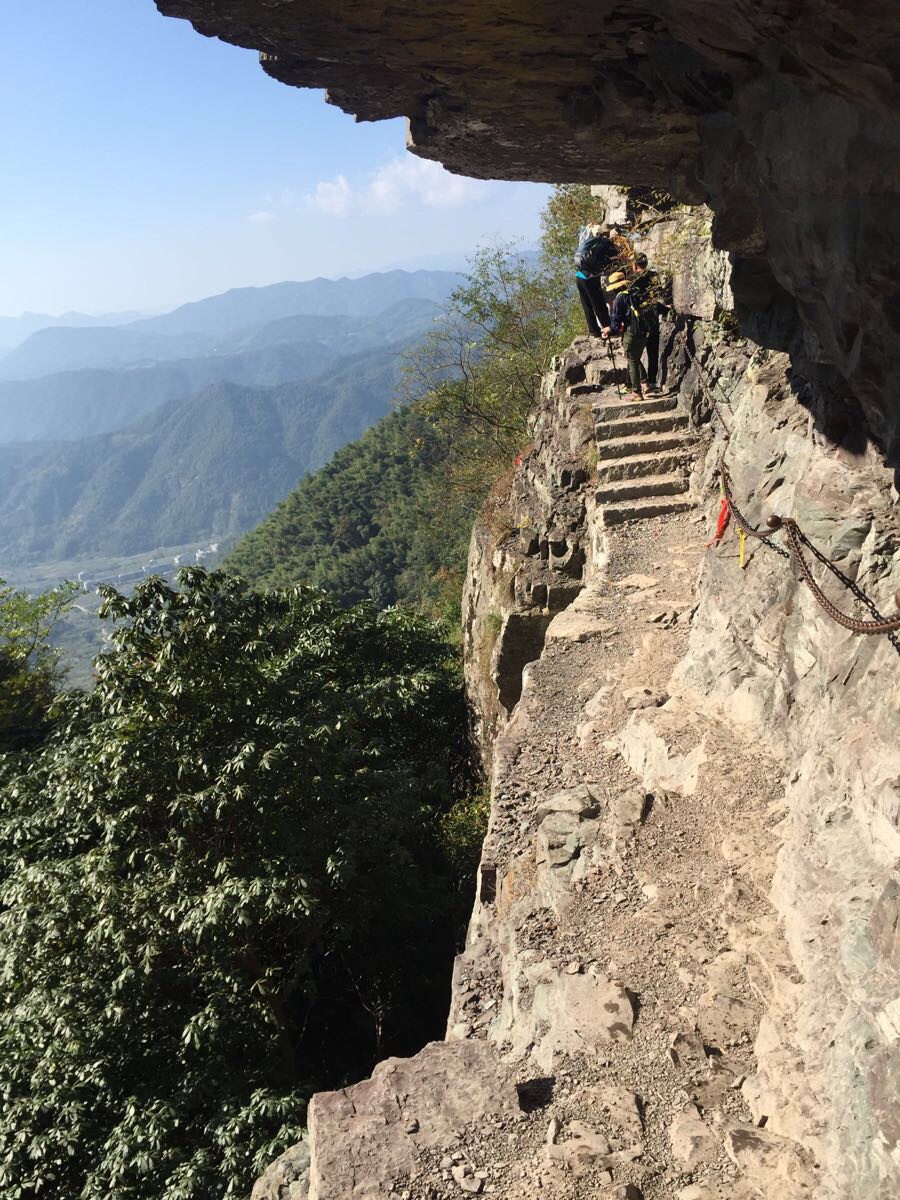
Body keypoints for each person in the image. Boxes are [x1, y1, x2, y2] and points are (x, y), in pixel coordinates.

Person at [604, 269, 648, 400]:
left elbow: (616, 321)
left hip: (631, 332)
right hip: (643, 330)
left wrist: (609, 330)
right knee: (635, 357)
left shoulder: (619, 298)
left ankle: (636, 392)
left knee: (632, 360)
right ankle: (645, 383)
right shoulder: (634, 293)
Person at [573, 222, 619, 337]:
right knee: (598, 303)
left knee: (587, 305)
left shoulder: (586, 241)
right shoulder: (604, 242)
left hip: (579, 275)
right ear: (606, 233)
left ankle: (594, 331)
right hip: (590, 276)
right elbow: (612, 257)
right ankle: (607, 328)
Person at [629, 253, 664, 394]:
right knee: (653, 351)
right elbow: (659, 295)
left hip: (639, 322)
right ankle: (651, 381)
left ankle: (640, 382)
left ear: (635, 266)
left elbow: (632, 302)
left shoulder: (634, 282)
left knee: (633, 354)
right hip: (653, 319)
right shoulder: (654, 277)